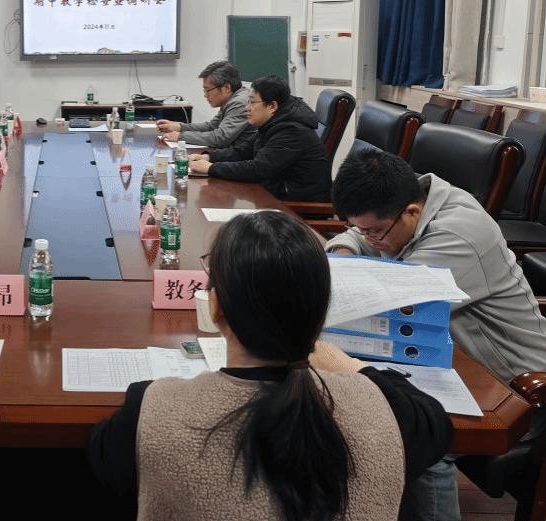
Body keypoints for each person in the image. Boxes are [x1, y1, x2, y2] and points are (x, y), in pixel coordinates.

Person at [87, 210, 451, 521]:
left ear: (215, 308)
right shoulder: (384, 412)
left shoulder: (153, 410)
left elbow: (104, 466)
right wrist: (352, 367)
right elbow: (435, 422)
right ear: (321, 311)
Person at [327, 148, 546, 521]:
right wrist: (348, 248)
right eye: (363, 229)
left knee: (419, 436)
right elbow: (361, 231)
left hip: (512, 385)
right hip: (448, 361)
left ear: (412, 212)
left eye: (375, 232)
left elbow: (389, 303)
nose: (369, 238)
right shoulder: (403, 198)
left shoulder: (459, 234)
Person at [189, 74, 331, 201]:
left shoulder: (291, 131)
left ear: (272, 106)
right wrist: (208, 157)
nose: (247, 108)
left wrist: (212, 168)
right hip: (274, 192)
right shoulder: (275, 121)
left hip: (295, 204)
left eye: (252, 102)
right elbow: (244, 150)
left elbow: (258, 169)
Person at [155, 60, 256, 152]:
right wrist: (179, 127)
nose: (205, 95)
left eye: (207, 90)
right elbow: (211, 126)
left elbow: (220, 138)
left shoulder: (240, 102)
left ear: (226, 88)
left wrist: (180, 136)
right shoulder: (232, 99)